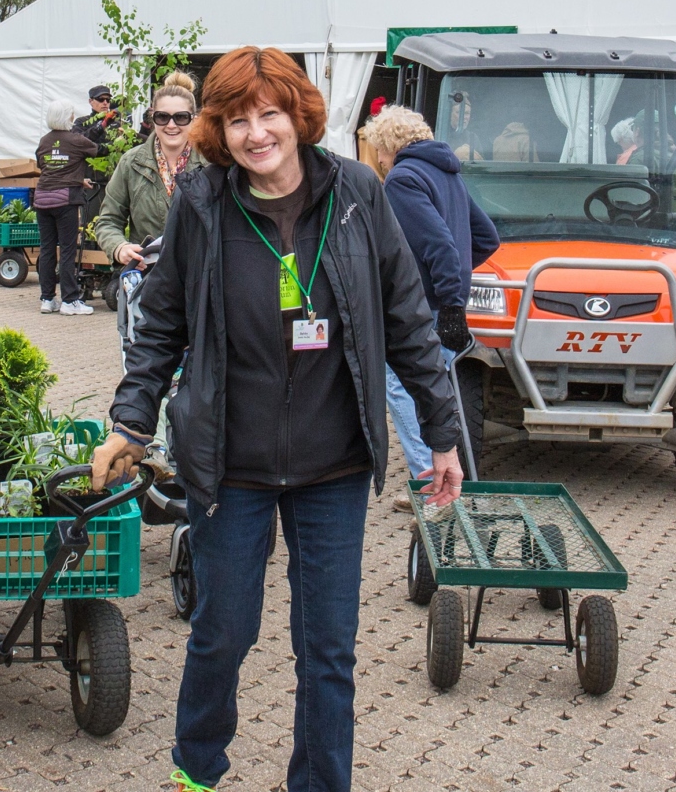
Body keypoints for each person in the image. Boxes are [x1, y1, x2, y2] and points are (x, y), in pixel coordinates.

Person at [88, 46, 464, 792]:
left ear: (298, 115)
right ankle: (196, 771)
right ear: (216, 131)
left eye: (268, 114)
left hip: (335, 465)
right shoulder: (201, 202)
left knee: (328, 648)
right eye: (235, 120)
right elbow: (160, 324)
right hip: (232, 464)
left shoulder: (359, 193)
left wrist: (442, 432)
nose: (256, 133)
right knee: (222, 633)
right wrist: (131, 423)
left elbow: (410, 320)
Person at [364, 105, 499, 509]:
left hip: (424, 307)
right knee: (437, 391)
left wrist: (449, 297)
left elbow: (440, 246)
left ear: (389, 145)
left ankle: (432, 481)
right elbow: (486, 238)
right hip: (444, 304)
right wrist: (455, 284)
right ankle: (445, 478)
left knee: (401, 385)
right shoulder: (448, 173)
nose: (379, 162)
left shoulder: (403, 180)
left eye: (379, 153)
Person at [95, 71, 205, 270]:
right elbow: (108, 220)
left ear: (194, 119)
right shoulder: (131, 163)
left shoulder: (211, 163)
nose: (171, 125)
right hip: (149, 279)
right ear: (153, 117)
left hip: (200, 280)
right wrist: (120, 247)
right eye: (163, 117)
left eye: (181, 117)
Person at [34, 100, 99, 316]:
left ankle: (47, 298)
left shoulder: (44, 141)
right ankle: (69, 301)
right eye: (71, 115)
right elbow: (100, 150)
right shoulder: (76, 140)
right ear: (68, 118)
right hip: (65, 201)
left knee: (47, 250)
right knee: (68, 250)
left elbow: (45, 167)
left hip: (42, 199)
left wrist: (78, 179)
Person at [72, 84, 119, 250]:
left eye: (108, 99)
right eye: (101, 99)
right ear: (91, 101)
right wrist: (102, 126)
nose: (105, 103)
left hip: (113, 182)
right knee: (90, 224)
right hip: (91, 183)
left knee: (113, 223)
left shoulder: (115, 123)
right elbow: (80, 144)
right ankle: (89, 263)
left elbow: (126, 144)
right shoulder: (82, 122)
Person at [448, 91, 484, 162]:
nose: (463, 117)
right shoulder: (439, 136)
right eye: (458, 112)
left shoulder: (473, 138)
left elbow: (481, 165)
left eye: (467, 113)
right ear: (450, 114)